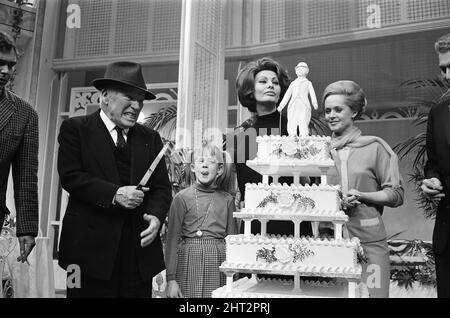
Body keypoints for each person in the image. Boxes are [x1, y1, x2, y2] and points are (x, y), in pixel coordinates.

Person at [57, 61, 172, 298]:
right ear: (105, 96)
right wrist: (115, 194)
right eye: (129, 97)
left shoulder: (151, 138)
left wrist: (156, 217)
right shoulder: (75, 128)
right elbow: (71, 177)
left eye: (140, 99)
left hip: (137, 259)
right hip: (84, 256)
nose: (136, 105)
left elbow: (161, 188)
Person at [323, 80, 404, 298]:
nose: (331, 115)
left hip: (370, 242)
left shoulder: (374, 147)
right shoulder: (320, 152)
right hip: (331, 242)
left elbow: (396, 195)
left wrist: (363, 195)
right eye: (327, 110)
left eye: (338, 109)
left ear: (355, 111)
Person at [230, 56, 312, 236]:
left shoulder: (295, 129)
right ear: (250, 90)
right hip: (255, 222)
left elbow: (311, 179)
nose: (270, 85)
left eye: (275, 82)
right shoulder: (238, 134)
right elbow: (238, 184)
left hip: (293, 221)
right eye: (263, 81)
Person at [165, 143, 237, 298]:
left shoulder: (227, 200)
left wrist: (235, 278)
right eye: (200, 161)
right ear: (192, 167)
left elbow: (234, 242)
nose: (205, 164)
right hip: (188, 261)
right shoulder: (181, 198)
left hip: (218, 261)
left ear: (220, 169)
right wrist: (171, 280)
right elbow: (171, 240)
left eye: (211, 161)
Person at [0, 31, 38, 264]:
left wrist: (27, 227)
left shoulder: (25, 114)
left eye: (10, 65)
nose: (5, 71)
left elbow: (26, 176)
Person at [420, 33, 450, 298]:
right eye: (443, 69)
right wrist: (431, 180)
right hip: (447, 237)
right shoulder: (438, 111)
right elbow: (433, 163)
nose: (448, 75)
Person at [277, 62, 318, 136]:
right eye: (299, 68)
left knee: (303, 121)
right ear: (296, 70)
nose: (301, 70)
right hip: (293, 104)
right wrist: (281, 105)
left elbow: (312, 94)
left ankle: (304, 137)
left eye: (303, 68)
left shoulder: (308, 83)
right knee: (292, 121)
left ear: (307, 71)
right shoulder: (293, 84)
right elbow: (287, 95)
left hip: (304, 105)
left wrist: (314, 103)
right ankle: (292, 136)